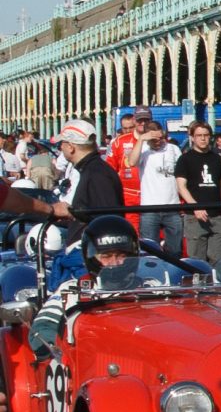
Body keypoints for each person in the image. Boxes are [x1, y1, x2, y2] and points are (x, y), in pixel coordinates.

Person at [28, 212, 175, 354]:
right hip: (86, 364)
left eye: (122, 256)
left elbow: (175, 327)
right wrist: (59, 350)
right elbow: (43, 327)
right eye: (106, 256)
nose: (115, 263)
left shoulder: (154, 288)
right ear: (91, 257)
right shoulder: (72, 291)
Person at [51, 119, 126, 234]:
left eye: (62, 143)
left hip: (90, 247)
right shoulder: (89, 169)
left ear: (71, 147)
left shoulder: (96, 174)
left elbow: (108, 222)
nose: (60, 147)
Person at [175, 120, 221, 268]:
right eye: (199, 135)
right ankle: (200, 290)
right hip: (195, 217)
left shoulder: (217, 159)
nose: (203, 138)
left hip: (216, 216)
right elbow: (181, 187)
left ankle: (219, 288)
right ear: (192, 137)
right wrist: (196, 207)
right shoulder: (184, 159)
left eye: (206, 135)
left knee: (220, 260)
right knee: (197, 263)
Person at [136, 119, 183, 258]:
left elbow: (181, 175)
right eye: (154, 139)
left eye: (161, 138)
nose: (158, 141)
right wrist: (141, 140)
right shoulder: (143, 150)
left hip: (172, 207)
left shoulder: (173, 149)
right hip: (149, 208)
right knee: (150, 252)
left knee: (175, 251)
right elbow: (132, 161)